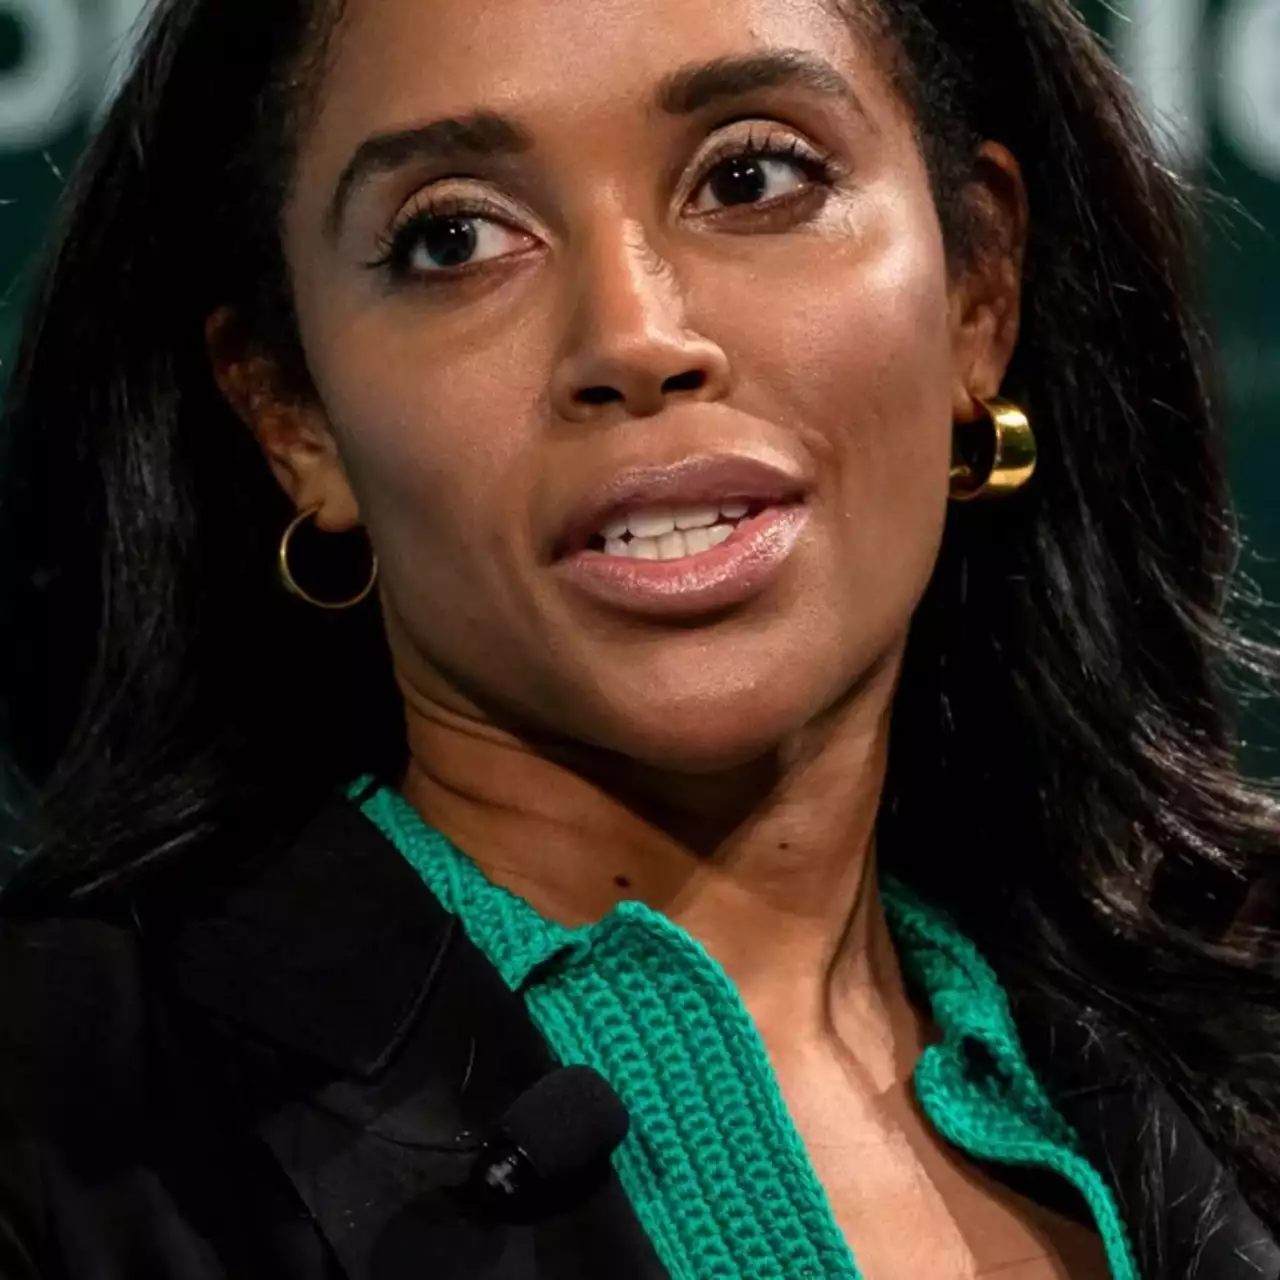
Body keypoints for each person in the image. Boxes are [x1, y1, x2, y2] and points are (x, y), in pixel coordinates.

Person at [1, 0, 1278, 1275]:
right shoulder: (52, 1127)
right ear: (296, 418)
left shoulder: (1233, 1053)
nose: (633, 336)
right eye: (453, 238)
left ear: (974, 290)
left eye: (751, 177)